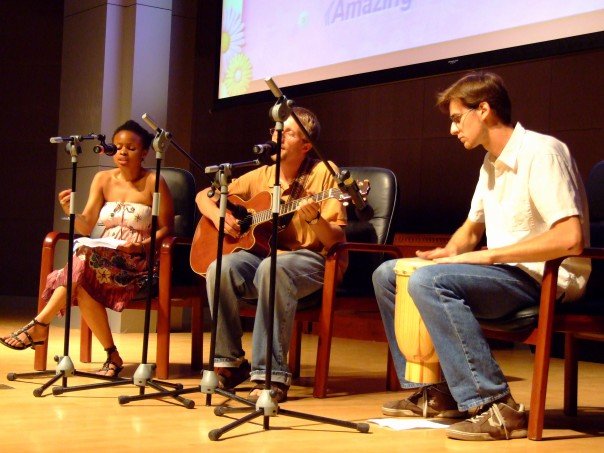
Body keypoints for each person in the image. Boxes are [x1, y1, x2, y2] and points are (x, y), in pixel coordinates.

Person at [373, 71, 591, 440]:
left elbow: (571, 238)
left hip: (543, 279)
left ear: (484, 109)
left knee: (431, 281)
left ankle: (495, 404)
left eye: (458, 118)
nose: (453, 129)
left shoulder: (542, 152)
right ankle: (438, 391)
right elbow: (472, 228)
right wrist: (449, 251)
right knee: (391, 274)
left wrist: (488, 257)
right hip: (506, 273)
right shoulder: (490, 163)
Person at [0, 120, 174, 377]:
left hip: (137, 261)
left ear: (145, 152)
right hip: (102, 255)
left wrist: (142, 245)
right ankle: (111, 356)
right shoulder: (102, 179)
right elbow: (86, 226)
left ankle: (39, 325)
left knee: (82, 264)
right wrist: (70, 210)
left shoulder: (154, 181)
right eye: (117, 147)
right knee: (82, 273)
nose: (122, 153)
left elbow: (167, 229)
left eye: (130, 148)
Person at [196, 106, 346, 402]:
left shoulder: (324, 173)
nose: (276, 136)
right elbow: (204, 195)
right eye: (274, 131)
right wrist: (217, 216)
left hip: (313, 261)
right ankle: (230, 363)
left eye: (286, 132)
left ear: (306, 145)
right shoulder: (262, 175)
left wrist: (315, 219)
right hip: (267, 257)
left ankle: (271, 376)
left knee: (272, 268)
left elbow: (336, 239)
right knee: (220, 269)